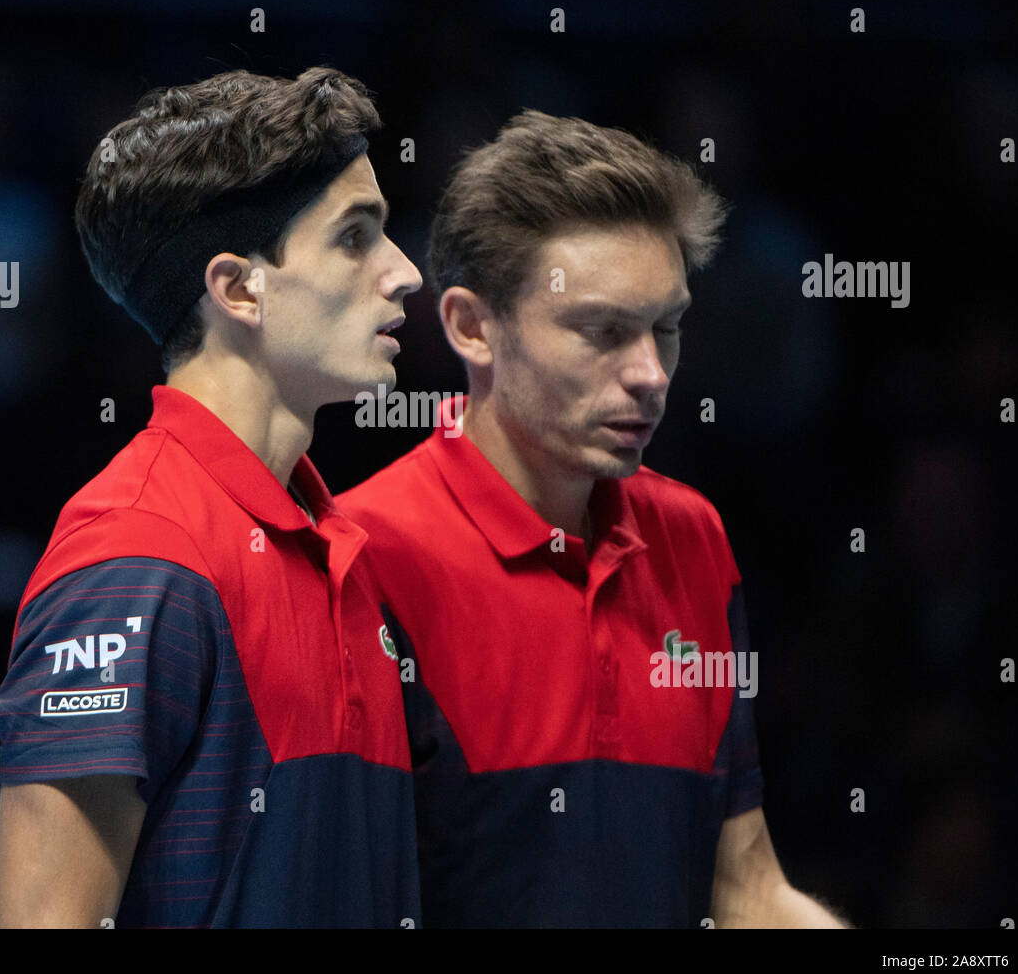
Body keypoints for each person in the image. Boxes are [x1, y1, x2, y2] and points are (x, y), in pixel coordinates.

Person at [338, 110, 849, 927]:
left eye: (667, 329)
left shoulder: (695, 540)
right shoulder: (361, 556)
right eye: (603, 331)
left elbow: (745, 887)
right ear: (472, 326)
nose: (650, 373)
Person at [0, 67, 423, 927]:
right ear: (236, 289)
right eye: (355, 237)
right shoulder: (133, 559)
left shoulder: (340, 547)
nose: (405, 271)